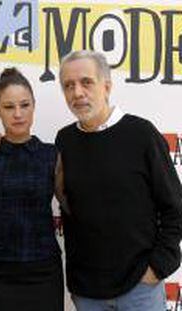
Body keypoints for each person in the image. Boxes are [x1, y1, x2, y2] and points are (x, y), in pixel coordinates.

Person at [55, 50, 182, 311]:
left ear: (107, 86)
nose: (77, 92)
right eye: (69, 85)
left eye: (86, 82)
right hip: (87, 293)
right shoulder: (64, 140)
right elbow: (69, 206)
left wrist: (157, 268)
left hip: (140, 289)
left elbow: (175, 207)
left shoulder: (141, 135)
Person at [0, 68, 64, 311]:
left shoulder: (51, 156)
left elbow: (74, 207)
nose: (18, 114)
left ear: (34, 106)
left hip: (43, 272)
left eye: (24, 105)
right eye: (9, 107)